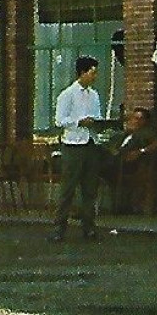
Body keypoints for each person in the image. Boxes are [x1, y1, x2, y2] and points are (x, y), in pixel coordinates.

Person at [49, 56, 103, 242]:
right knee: (68, 188)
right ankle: (59, 227)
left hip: (90, 142)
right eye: (92, 72)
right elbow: (59, 120)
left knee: (90, 188)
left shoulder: (94, 95)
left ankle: (89, 226)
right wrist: (78, 122)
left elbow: (97, 116)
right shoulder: (67, 95)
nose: (94, 76)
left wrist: (97, 123)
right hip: (73, 144)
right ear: (82, 72)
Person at [115, 106, 157, 216]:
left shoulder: (146, 133)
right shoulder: (127, 133)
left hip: (132, 165)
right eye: (134, 118)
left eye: (139, 118)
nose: (136, 121)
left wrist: (141, 151)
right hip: (117, 161)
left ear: (145, 121)